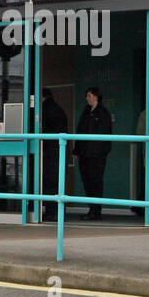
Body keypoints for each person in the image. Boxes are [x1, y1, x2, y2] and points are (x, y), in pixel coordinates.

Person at [73, 87, 113, 220]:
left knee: (95, 182)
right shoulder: (86, 111)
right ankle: (92, 209)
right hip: (84, 154)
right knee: (87, 182)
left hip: (96, 155)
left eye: (89, 96)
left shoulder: (103, 113)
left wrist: (98, 152)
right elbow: (80, 131)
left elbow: (105, 135)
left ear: (96, 97)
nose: (87, 98)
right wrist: (76, 150)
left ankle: (96, 211)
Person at [40, 88, 68, 222]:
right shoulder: (58, 109)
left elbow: (44, 130)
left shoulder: (45, 110)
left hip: (50, 152)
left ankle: (51, 212)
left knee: (50, 182)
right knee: (57, 182)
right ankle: (59, 210)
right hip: (59, 151)